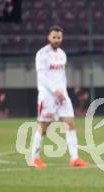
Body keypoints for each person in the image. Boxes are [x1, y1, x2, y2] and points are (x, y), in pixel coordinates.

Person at [31, 25, 89, 168]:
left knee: (70, 123)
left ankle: (74, 159)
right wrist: (55, 91)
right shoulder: (41, 54)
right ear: (49, 37)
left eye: (59, 37)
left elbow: (61, 76)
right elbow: (43, 76)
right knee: (44, 126)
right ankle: (34, 158)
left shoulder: (62, 54)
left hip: (62, 96)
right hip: (47, 96)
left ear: (62, 38)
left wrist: (62, 92)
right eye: (54, 37)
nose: (56, 40)